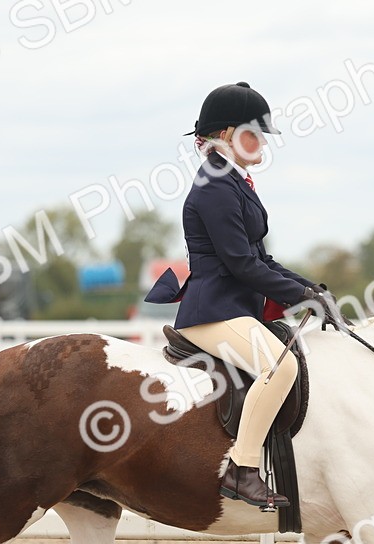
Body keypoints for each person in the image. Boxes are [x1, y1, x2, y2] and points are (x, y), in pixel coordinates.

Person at [145, 81, 342, 509]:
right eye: (255, 134)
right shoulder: (215, 187)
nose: (263, 143)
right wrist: (300, 297)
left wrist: (310, 291)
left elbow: (262, 260)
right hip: (213, 311)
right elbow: (241, 265)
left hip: (234, 308)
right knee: (280, 367)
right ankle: (242, 469)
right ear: (227, 135)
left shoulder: (234, 183)